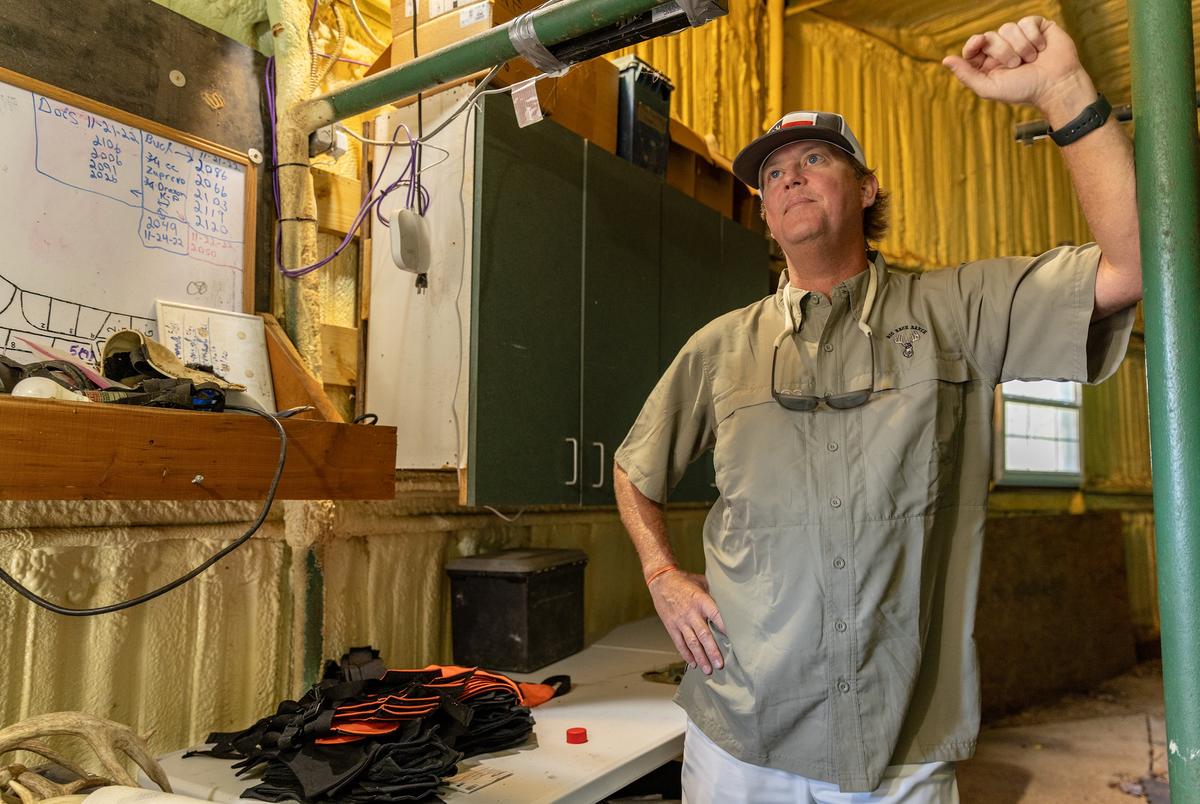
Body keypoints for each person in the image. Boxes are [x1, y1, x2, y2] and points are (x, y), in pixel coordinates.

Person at [613, 16, 1140, 803]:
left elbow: (1133, 265)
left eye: (816, 159)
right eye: (774, 174)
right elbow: (633, 467)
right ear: (763, 212)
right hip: (741, 742)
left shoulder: (955, 312)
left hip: (900, 750)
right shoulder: (721, 347)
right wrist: (660, 573)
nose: (789, 177)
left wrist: (1064, 90)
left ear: (866, 188)